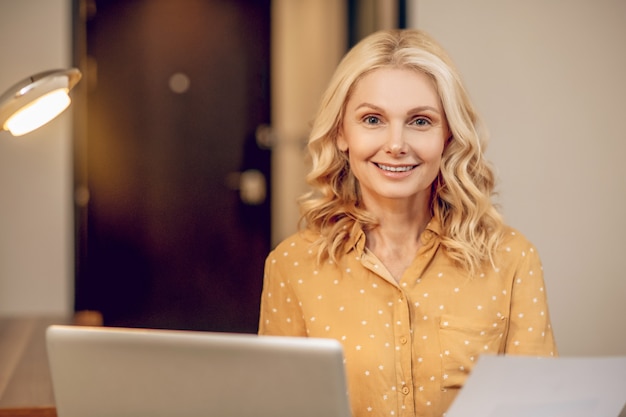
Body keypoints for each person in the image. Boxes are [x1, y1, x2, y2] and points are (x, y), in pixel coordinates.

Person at [258, 29, 557, 417]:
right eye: (372, 119)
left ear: (449, 135)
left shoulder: (512, 259)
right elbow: (278, 408)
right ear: (341, 133)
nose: (396, 144)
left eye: (419, 121)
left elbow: (541, 409)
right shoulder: (292, 266)